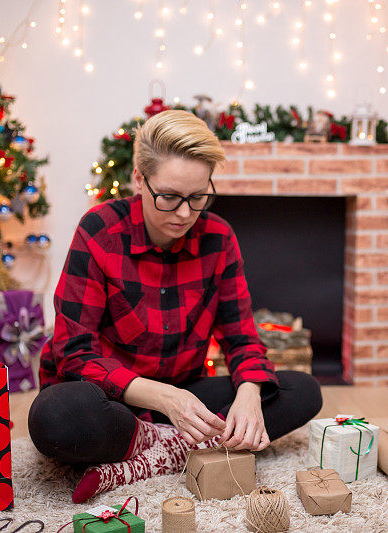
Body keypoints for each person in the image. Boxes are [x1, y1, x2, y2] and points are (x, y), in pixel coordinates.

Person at [28, 110, 322, 503]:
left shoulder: (219, 238)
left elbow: (242, 339)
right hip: (113, 400)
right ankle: (174, 442)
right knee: (54, 417)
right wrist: (166, 399)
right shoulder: (99, 231)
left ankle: (149, 452)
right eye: (169, 197)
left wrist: (249, 394)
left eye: (198, 197)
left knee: (303, 391)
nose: (185, 213)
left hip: (185, 396)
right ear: (138, 179)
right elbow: (73, 355)